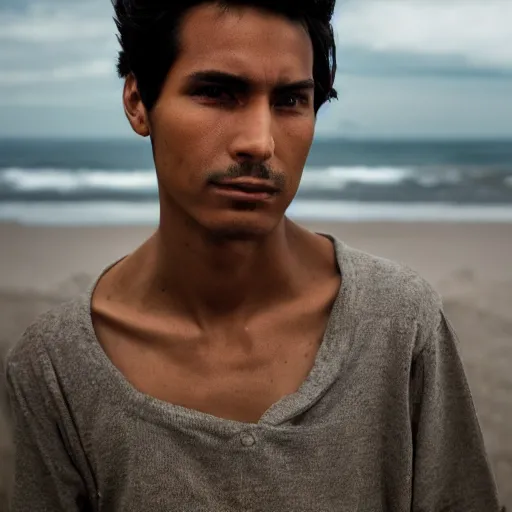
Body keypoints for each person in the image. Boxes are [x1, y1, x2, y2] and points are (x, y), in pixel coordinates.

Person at [4, 1, 502, 510]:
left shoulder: (399, 323)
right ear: (137, 100)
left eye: (290, 100)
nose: (259, 142)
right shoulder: (56, 366)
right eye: (217, 93)